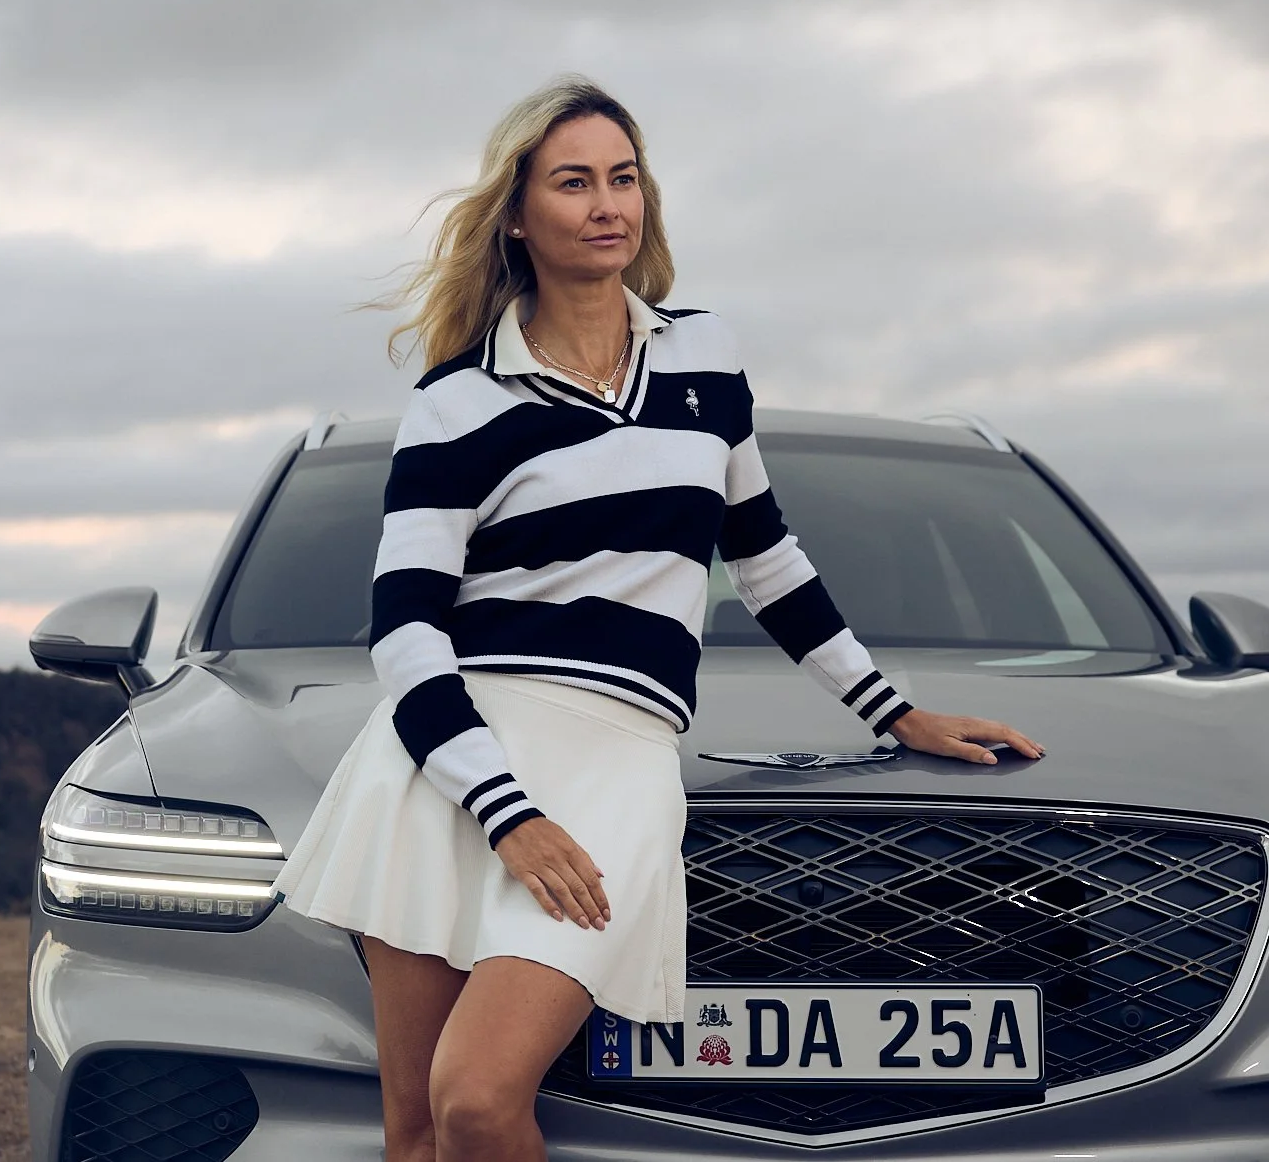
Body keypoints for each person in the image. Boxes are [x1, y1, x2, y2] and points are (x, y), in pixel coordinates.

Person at [271, 76, 1045, 1162]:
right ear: (516, 214)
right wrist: (505, 811)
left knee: (479, 1098)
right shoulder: (457, 403)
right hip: (446, 767)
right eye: (573, 181)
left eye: (622, 178)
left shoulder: (702, 357)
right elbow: (404, 628)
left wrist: (893, 710)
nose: (606, 205)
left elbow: (765, 556)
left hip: (616, 755)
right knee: (415, 1129)